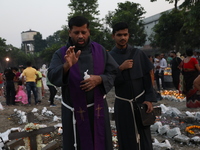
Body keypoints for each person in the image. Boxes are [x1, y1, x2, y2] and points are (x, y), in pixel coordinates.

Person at [47, 16, 118, 150]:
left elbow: (114, 72)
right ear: (70, 32)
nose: (80, 36)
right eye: (76, 32)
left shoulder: (100, 50)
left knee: (100, 142)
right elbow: (51, 76)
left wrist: (100, 79)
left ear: (88, 32)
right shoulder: (61, 53)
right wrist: (67, 66)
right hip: (73, 112)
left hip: (97, 109)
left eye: (83, 32)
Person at [109, 22, 156, 150]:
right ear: (113, 36)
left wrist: (149, 99)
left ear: (128, 35)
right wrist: (120, 69)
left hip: (141, 102)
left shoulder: (138, 54)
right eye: (119, 35)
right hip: (123, 104)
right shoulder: (109, 57)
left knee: (144, 136)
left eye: (125, 34)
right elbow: (109, 81)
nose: (122, 38)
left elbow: (148, 78)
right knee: (125, 136)